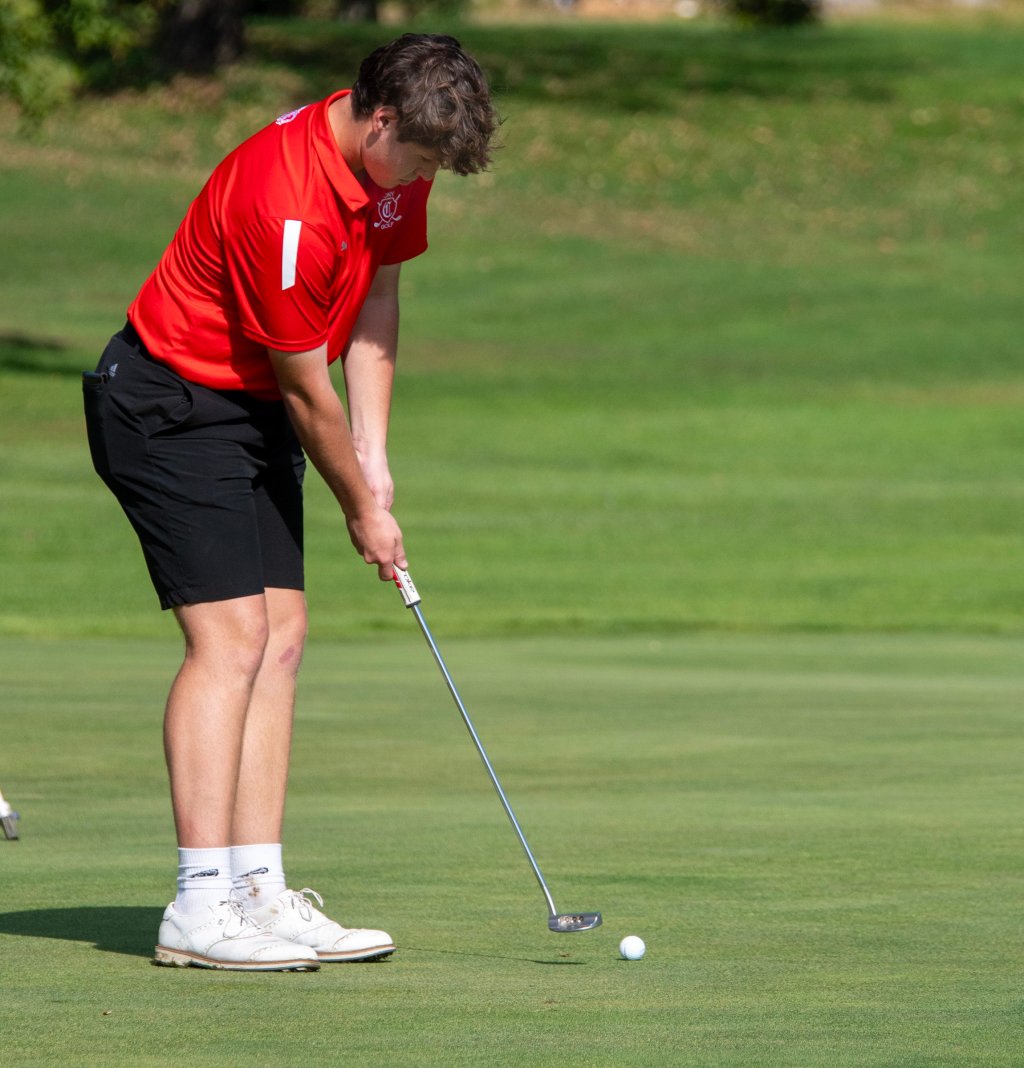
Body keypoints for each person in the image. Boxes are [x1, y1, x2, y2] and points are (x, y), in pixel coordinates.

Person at [82, 33, 496, 971]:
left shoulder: (393, 157)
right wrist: (362, 509)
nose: (423, 178)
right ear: (379, 119)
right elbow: (308, 392)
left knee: (282, 636)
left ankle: (257, 891)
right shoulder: (289, 205)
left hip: (249, 407)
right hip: (170, 405)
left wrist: (375, 456)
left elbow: (378, 297)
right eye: (420, 159)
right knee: (231, 639)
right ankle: (198, 905)